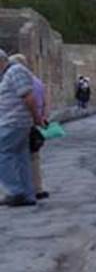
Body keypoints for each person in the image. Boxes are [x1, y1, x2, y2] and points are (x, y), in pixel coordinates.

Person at [0, 49, 44, 207]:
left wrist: (37, 117)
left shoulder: (15, 71)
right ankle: (27, 194)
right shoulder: (9, 74)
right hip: (17, 122)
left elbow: (28, 97)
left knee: (3, 155)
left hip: (13, 122)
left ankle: (15, 191)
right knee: (21, 157)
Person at [9, 54, 49, 200]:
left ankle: (20, 190)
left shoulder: (16, 82)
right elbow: (45, 102)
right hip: (34, 123)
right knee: (34, 158)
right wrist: (42, 117)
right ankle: (38, 188)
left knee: (16, 158)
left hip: (19, 122)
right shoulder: (38, 82)